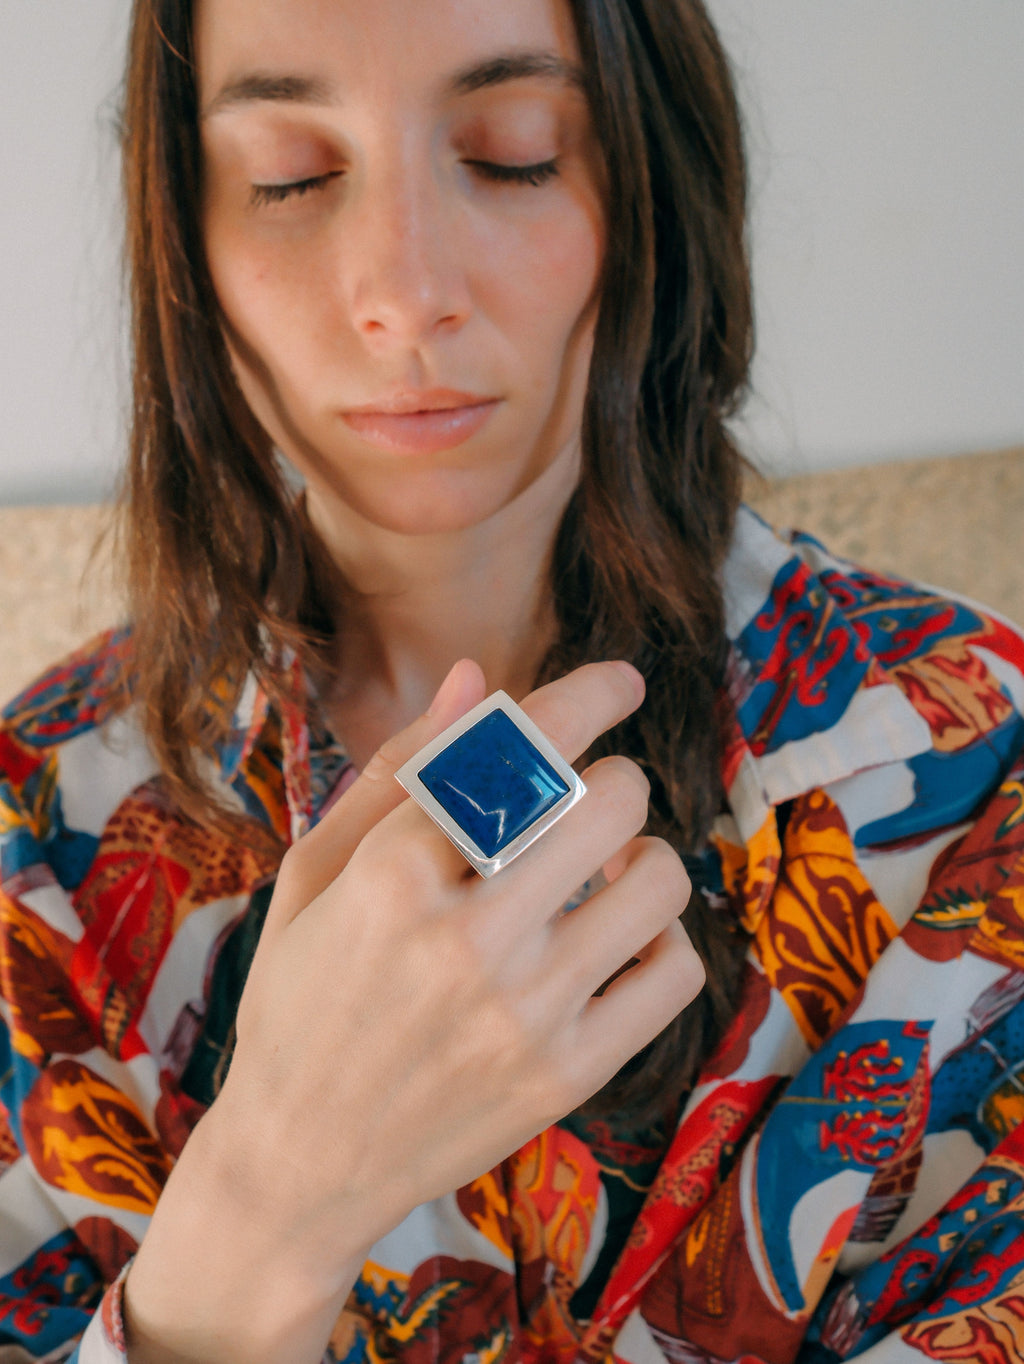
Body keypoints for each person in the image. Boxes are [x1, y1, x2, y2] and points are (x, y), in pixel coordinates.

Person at [2, 0, 1024, 1361]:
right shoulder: (39, 838)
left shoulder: (973, 769)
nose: (405, 290)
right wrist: (271, 1209)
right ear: (185, 221)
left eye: (513, 151)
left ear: (649, 177)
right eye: (290, 177)